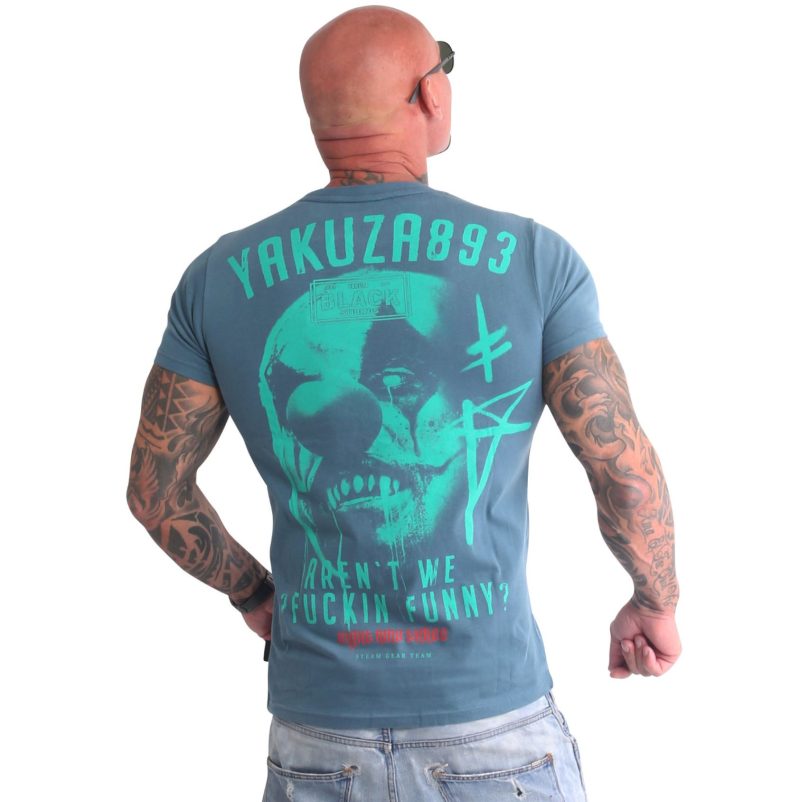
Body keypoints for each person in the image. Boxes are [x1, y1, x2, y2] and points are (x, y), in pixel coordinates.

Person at [126, 5, 681, 800]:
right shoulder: (531, 260)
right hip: (491, 733)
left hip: (316, 741)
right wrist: (655, 600)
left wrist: (256, 594)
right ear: (429, 94)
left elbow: (155, 491)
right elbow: (622, 470)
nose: (342, 423)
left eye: (398, 384)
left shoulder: (218, 279)